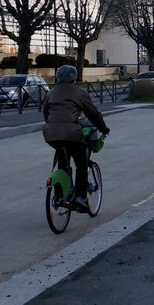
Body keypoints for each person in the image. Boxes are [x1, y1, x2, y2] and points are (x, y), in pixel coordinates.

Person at [43, 65, 109, 208]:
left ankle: (60, 196)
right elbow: (93, 113)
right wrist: (104, 128)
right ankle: (80, 197)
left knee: (63, 161)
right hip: (72, 133)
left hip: (50, 133)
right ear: (74, 78)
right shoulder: (79, 93)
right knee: (81, 163)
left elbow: (46, 113)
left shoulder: (51, 93)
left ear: (57, 77)